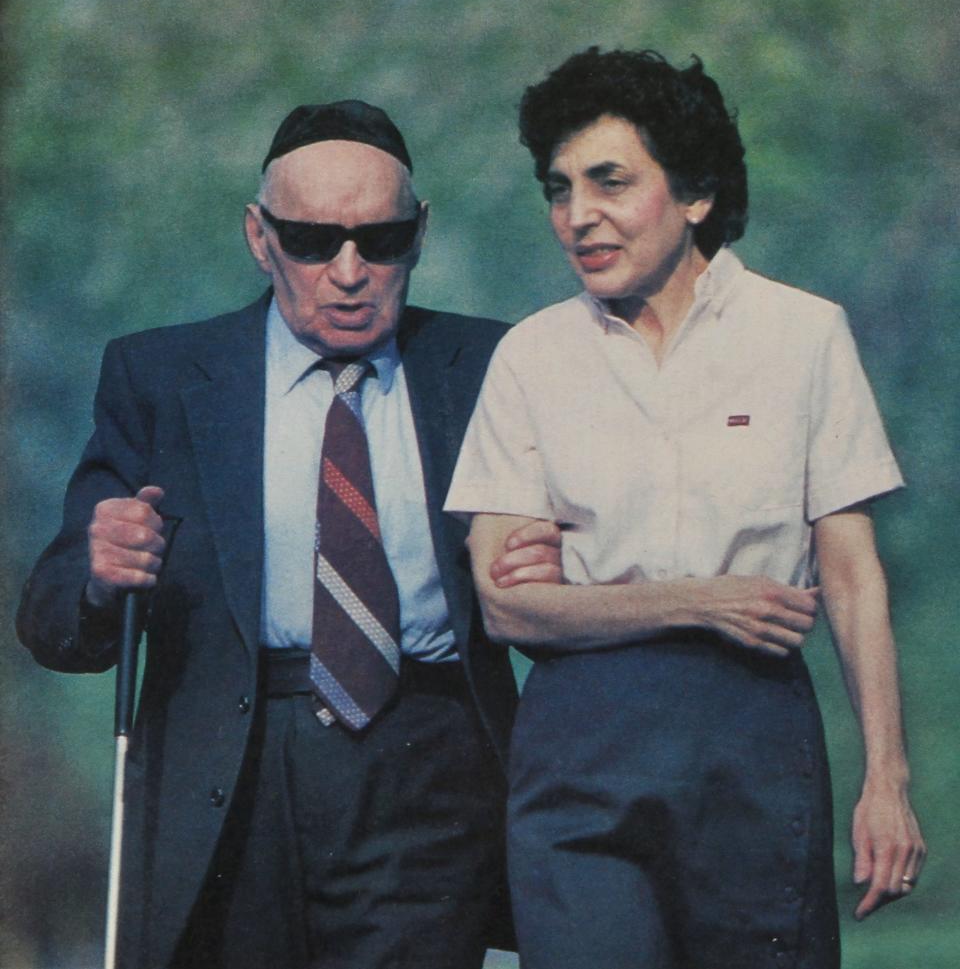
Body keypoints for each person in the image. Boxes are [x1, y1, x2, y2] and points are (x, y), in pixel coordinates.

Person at [17, 99, 562, 969]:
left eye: (379, 241)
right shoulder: (161, 374)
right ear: (258, 236)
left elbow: (582, 552)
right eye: (311, 241)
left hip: (428, 767)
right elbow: (51, 621)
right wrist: (96, 570)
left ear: (419, 234)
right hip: (233, 772)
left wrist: (557, 563)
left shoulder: (495, 366)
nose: (348, 270)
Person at [445, 48, 926, 969]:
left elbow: (853, 577)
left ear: (696, 193)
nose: (578, 215)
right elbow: (508, 604)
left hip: (752, 741)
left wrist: (887, 779)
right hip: (578, 755)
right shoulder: (530, 359)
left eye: (610, 182)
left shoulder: (803, 335)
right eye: (559, 189)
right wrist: (702, 599)